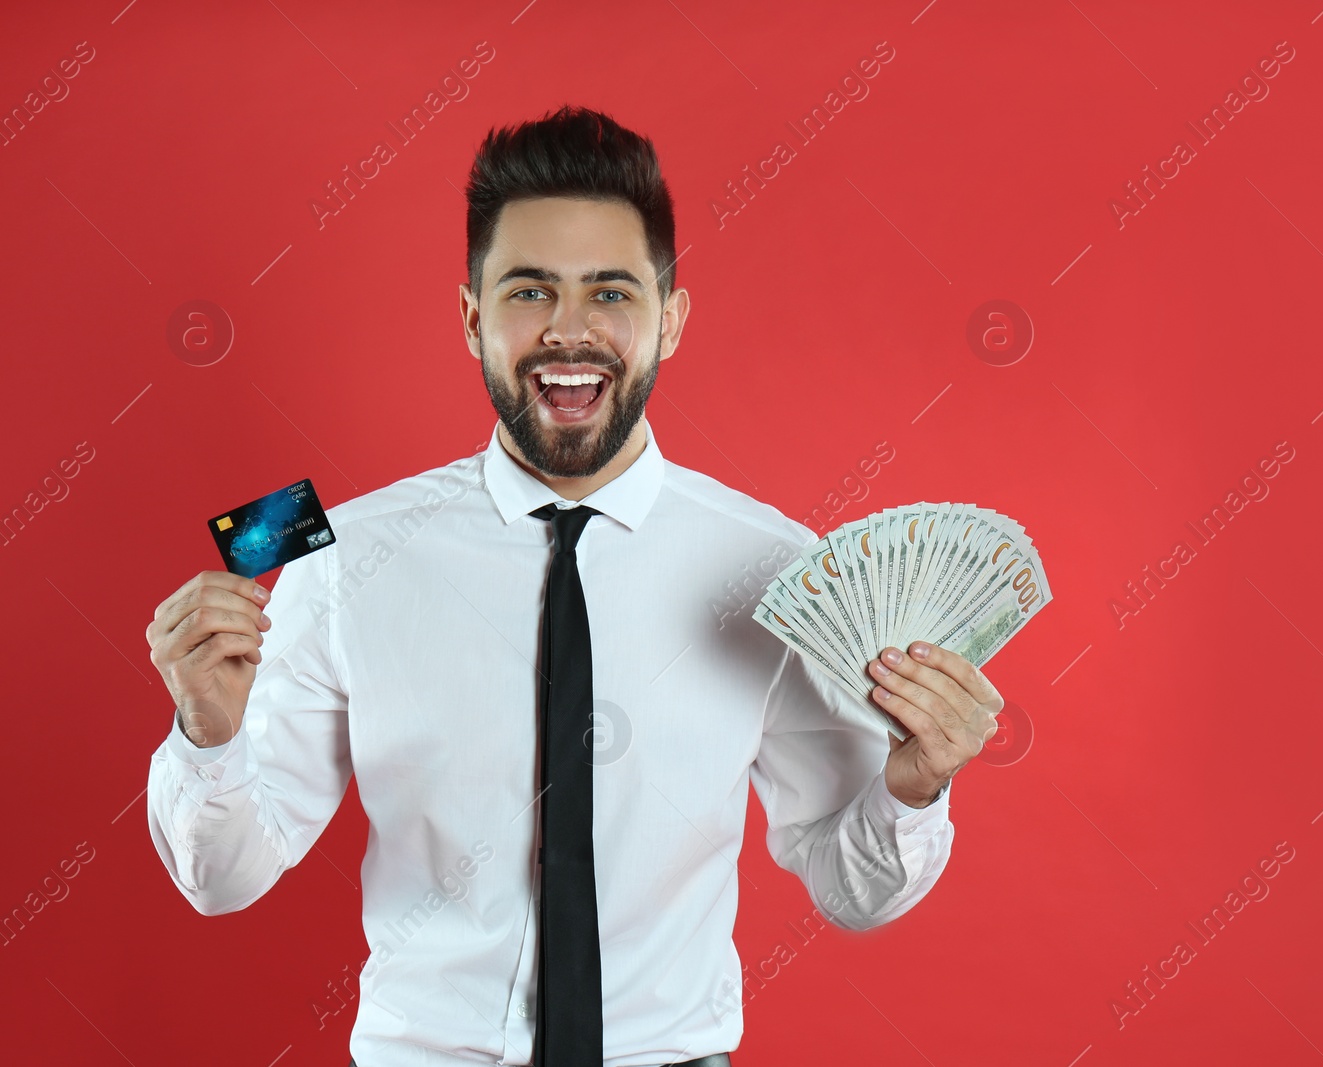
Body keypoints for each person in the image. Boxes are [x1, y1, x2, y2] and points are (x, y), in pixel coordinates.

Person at [145, 105, 1004, 1067]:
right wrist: (208, 736)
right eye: (527, 291)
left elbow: (853, 891)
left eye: (610, 293)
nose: (568, 330)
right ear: (471, 317)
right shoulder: (345, 560)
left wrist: (916, 786)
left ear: (669, 320)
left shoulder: (776, 570)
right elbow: (222, 878)